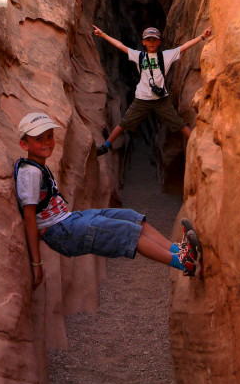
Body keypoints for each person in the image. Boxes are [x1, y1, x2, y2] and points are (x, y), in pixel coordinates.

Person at [14, 112, 201, 289]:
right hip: (61, 232)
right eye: (39, 139)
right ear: (24, 145)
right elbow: (30, 219)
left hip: (68, 221)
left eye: (49, 136)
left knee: (130, 217)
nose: (47, 142)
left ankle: (177, 250)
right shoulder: (30, 173)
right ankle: (183, 262)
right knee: (127, 231)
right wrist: (36, 263)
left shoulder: (37, 167)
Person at [91, 24, 212, 155]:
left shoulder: (166, 56)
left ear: (159, 42)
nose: (151, 43)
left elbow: (184, 47)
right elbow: (121, 46)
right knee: (124, 124)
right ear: (143, 42)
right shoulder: (139, 56)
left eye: (154, 40)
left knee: (179, 123)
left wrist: (201, 37)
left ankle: (199, 145)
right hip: (142, 99)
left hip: (161, 100)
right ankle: (105, 147)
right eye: (148, 40)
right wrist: (103, 35)